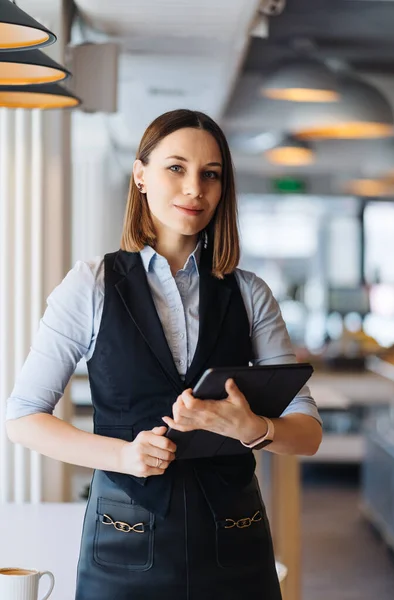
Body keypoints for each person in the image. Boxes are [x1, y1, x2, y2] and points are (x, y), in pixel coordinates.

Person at [6, 109, 322, 600]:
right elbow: (23, 418)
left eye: (210, 174)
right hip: (124, 539)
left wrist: (255, 429)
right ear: (141, 176)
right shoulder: (90, 284)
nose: (194, 188)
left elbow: (307, 434)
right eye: (176, 167)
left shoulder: (250, 293)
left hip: (234, 540)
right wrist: (124, 455)